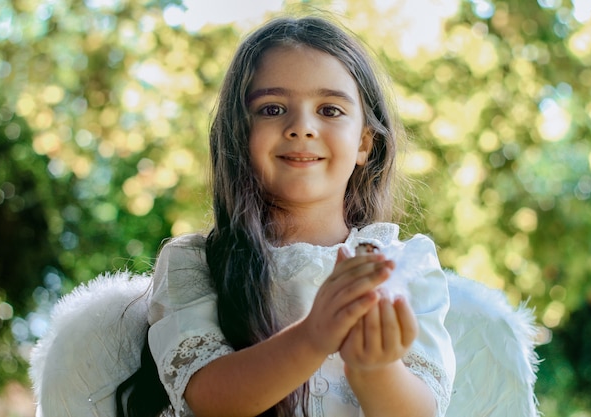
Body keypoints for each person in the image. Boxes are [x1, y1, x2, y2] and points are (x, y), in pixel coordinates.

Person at [121, 15, 456, 417]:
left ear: (365, 142)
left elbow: (423, 410)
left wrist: (375, 368)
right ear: (239, 135)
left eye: (330, 110)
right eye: (273, 108)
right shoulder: (194, 262)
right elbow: (208, 396)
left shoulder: (405, 265)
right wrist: (313, 337)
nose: (301, 127)